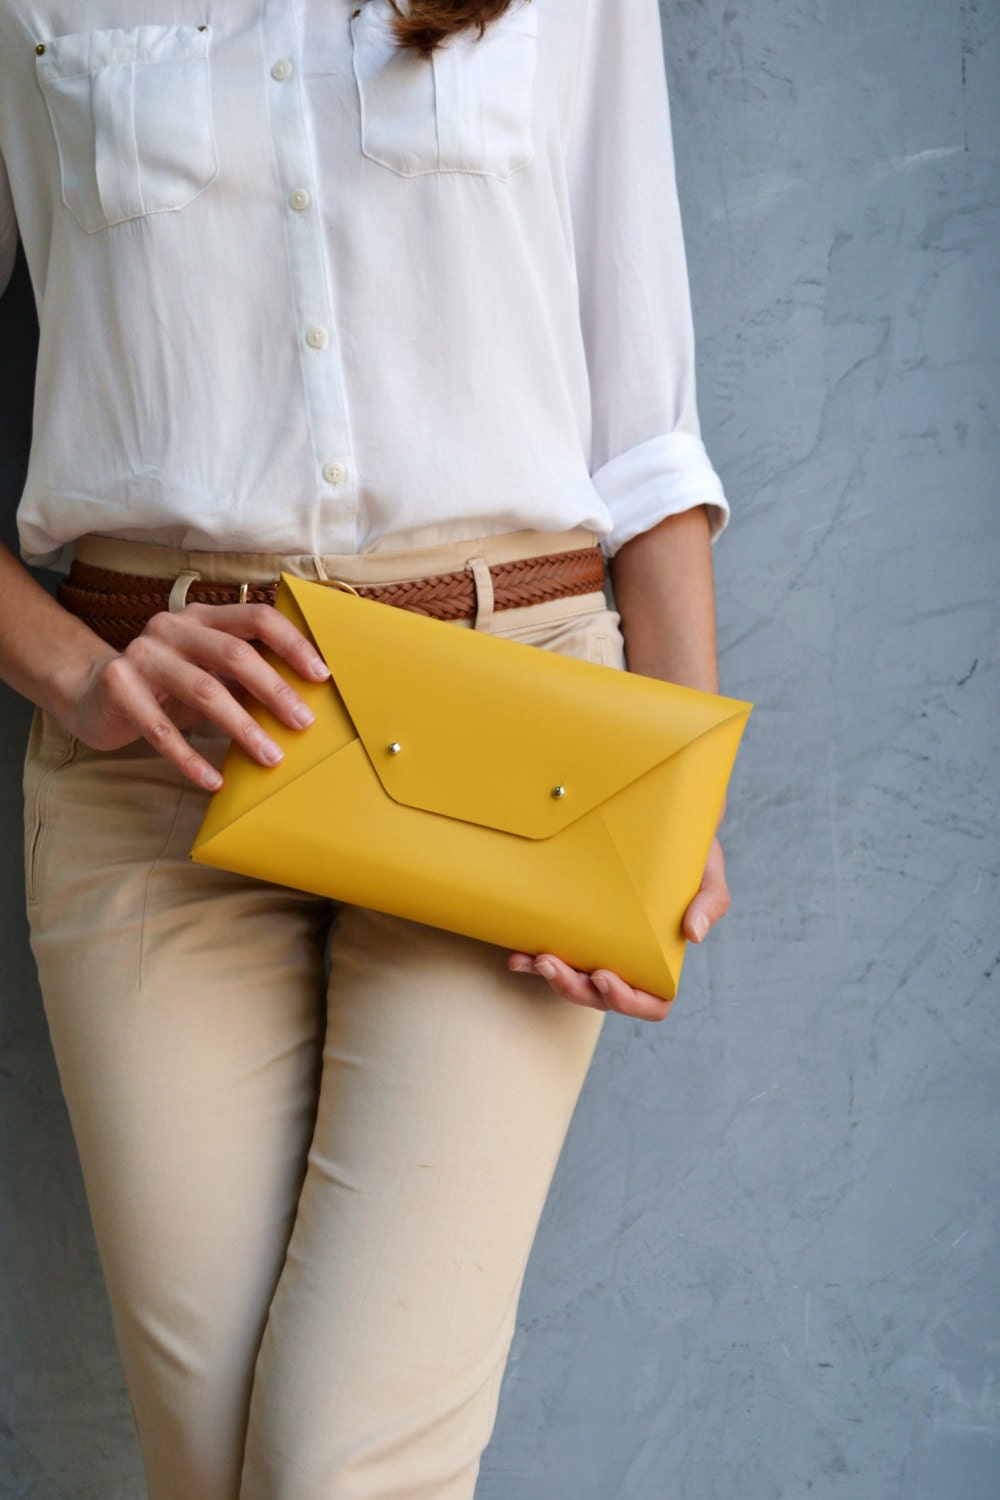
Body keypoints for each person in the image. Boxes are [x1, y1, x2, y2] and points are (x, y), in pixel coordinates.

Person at [0, 1, 733, 1495]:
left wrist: (669, 796)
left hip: (515, 737)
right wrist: (74, 673)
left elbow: (647, 423)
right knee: (210, 1473)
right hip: (163, 758)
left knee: (338, 1470)